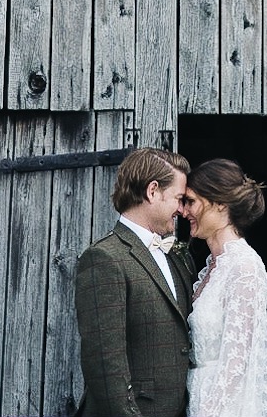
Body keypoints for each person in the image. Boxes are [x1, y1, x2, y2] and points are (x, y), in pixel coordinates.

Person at [76, 146, 197, 417]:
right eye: (178, 198)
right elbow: (105, 365)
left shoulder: (177, 256)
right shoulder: (105, 258)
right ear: (152, 191)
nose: (181, 209)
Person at [183, 159, 267, 417]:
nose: (185, 211)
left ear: (220, 203)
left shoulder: (244, 267)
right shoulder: (213, 267)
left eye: (191, 201)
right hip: (196, 396)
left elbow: (236, 363)